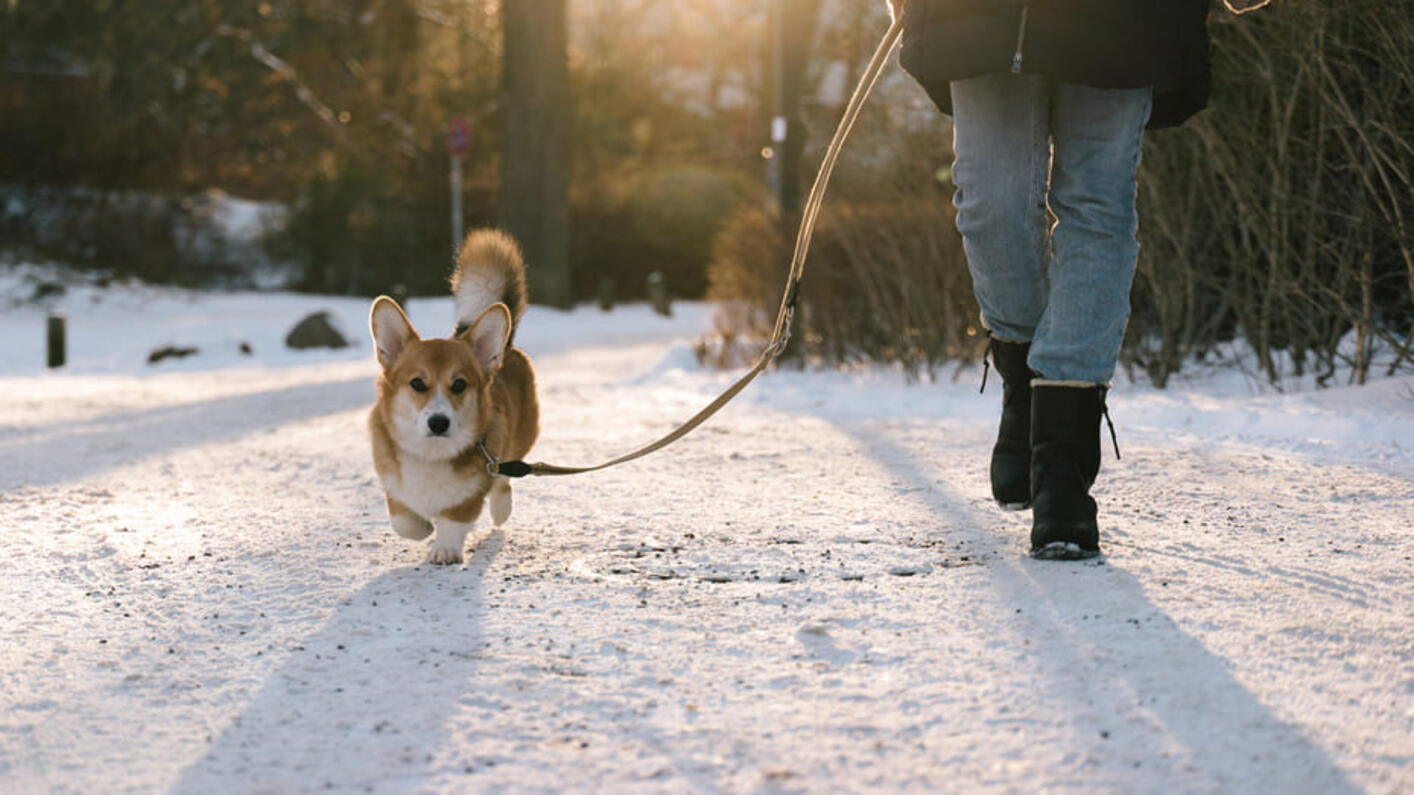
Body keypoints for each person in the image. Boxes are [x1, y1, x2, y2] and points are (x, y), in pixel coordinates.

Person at [891, 0, 1212, 559]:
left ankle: (1062, 461)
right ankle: (1024, 379)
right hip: (976, 15)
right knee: (992, 203)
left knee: (1098, 205)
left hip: (1127, 19)